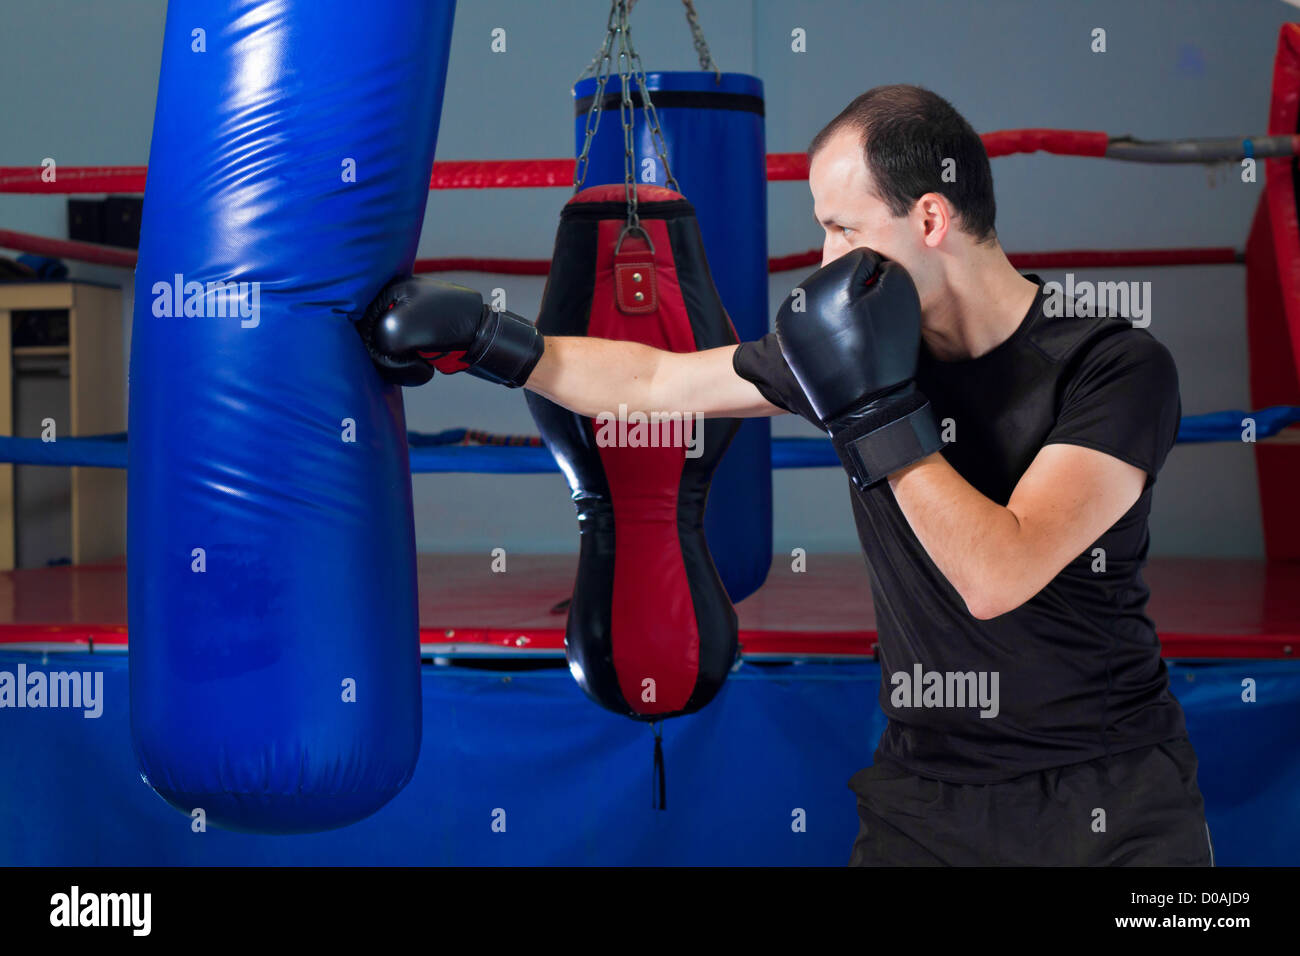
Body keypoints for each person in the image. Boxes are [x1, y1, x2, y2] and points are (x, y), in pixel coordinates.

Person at [357, 84, 1213, 866]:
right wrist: (488, 341)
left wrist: (873, 408)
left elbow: (998, 572)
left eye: (844, 227)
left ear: (929, 219)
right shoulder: (864, 344)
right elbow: (659, 382)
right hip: (927, 794)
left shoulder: (1114, 366)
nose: (824, 256)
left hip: (1110, 797)